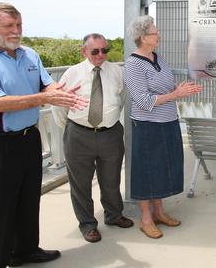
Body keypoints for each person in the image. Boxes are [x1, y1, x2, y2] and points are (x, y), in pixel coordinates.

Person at [0, 2, 88, 267]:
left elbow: (47, 83)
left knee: (28, 200)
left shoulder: (29, 54)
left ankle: (25, 251)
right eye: (9, 26)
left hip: (29, 139)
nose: (16, 31)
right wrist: (45, 97)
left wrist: (60, 92)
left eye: (19, 25)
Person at [124, 15, 203, 239]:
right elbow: (143, 101)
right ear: (142, 37)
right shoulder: (133, 64)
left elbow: (164, 88)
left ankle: (159, 212)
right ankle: (146, 219)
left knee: (162, 167)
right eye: (154, 32)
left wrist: (179, 88)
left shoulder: (157, 57)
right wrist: (175, 95)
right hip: (148, 125)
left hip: (167, 121)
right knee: (146, 170)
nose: (159, 35)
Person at [51, 33, 134, 243]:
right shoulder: (72, 73)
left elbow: (122, 98)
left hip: (110, 134)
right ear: (84, 51)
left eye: (104, 50)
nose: (100, 55)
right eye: (95, 51)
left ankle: (114, 216)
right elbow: (58, 105)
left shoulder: (117, 72)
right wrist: (74, 127)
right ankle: (88, 224)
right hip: (79, 135)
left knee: (111, 180)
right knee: (80, 184)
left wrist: (109, 118)